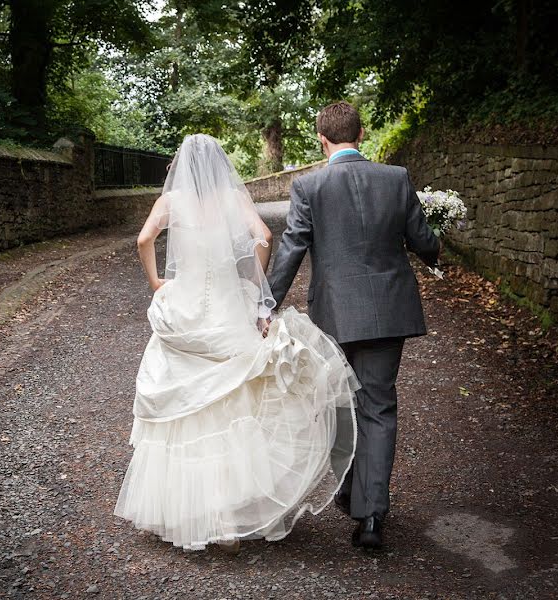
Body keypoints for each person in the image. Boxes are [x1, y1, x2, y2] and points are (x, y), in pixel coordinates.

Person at [114, 133, 359, 552]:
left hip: (186, 308)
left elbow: (143, 240)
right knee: (232, 402)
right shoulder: (231, 198)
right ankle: (231, 516)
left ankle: (196, 513)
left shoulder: (172, 202)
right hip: (228, 308)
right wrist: (252, 279)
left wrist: (157, 282)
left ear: (183, 165)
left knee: (186, 406)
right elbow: (263, 235)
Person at [268, 102, 440, 548]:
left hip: (336, 315)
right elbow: (423, 240)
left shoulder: (309, 186)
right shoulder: (396, 179)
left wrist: (266, 306)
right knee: (379, 406)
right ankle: (370, 517)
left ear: (321, 140)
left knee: (341, 403)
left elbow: (291, 248)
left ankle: (353, 492)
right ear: (362, 134)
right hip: (389, 311)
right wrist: (435, 248)